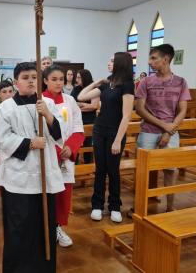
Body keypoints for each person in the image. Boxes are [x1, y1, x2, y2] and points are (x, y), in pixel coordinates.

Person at [0, 62, 65, 273]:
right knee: (20, 227)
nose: (31, 80)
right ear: (16, 82)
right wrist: (30, 143)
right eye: (25, 77)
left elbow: (62, 133)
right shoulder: (4, 109)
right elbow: (2, 139)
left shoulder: (48, 104)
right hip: (19, 179)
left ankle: (44, 268)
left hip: (45, 178)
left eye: (34, 76)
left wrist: (49, 115)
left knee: (44, 226)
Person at [132, 44, 191, 216]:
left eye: (154, 58)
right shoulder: (146, 81)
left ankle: (170, 207)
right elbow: (140, 109)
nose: (150, 62)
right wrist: (163, 125)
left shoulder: (181, 82)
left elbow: (182, 110)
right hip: (148, 131)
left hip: (171, 131)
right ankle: (139, 206)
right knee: (142, 170)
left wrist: (168, 131)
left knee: (170, 170)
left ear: (165, 59)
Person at [79, 52, 135, 223]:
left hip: (114, 133)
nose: (109, 63)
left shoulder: (127, 85)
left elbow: (126, 116)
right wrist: (97, 82)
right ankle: (97, 205)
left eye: (112, 60)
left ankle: (115, 206)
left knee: (113, 170)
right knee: (100, 169)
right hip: (99, 130)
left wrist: (118, 140)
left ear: (120, 63)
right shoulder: (107, 84)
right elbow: (81, 96)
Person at [43, 65, 84, 248]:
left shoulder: (70, 101)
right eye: (54, 79)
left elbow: (77, 128)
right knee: (45, 192)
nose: (59, 82)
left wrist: (70, 147)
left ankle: (58, 226)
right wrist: (57, 150)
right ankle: (44, 228)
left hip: (66, 155)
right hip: (47, 154)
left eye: (61, 79)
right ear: (45, 81)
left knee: (62, 193)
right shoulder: (40, 101)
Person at [71, 69, 100, 163]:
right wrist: (84, 105)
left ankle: (88, 164)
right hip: (76, 120)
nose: (77, 80)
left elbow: (94, 106)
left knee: (88, 144)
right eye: (77, 77)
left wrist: (79, 105)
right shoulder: (76, 88)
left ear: (85, 78)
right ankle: (75, 164)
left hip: (89, 120)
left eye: (79, 77)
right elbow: (72, 104)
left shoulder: (94, 89)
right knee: (76, 143)